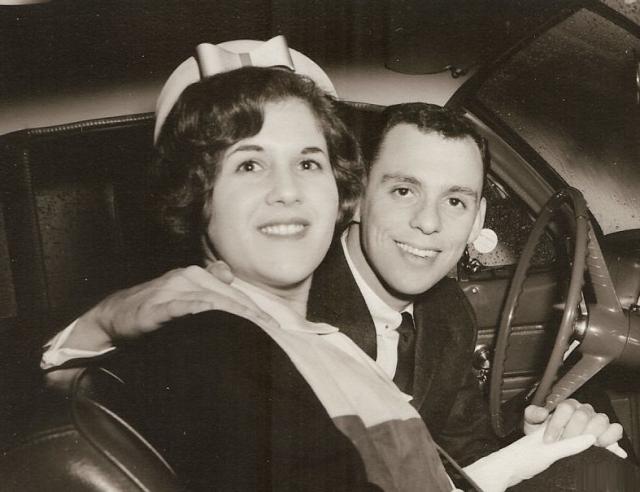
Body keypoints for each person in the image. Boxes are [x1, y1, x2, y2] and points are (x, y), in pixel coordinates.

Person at [41, 46, 606, 491]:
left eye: (308, 163)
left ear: (338, 186)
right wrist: (100, 321)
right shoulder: (231, 341)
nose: (287, 191)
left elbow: (443, 461)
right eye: (249, 165)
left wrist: (539, 444)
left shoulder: (342, 335)